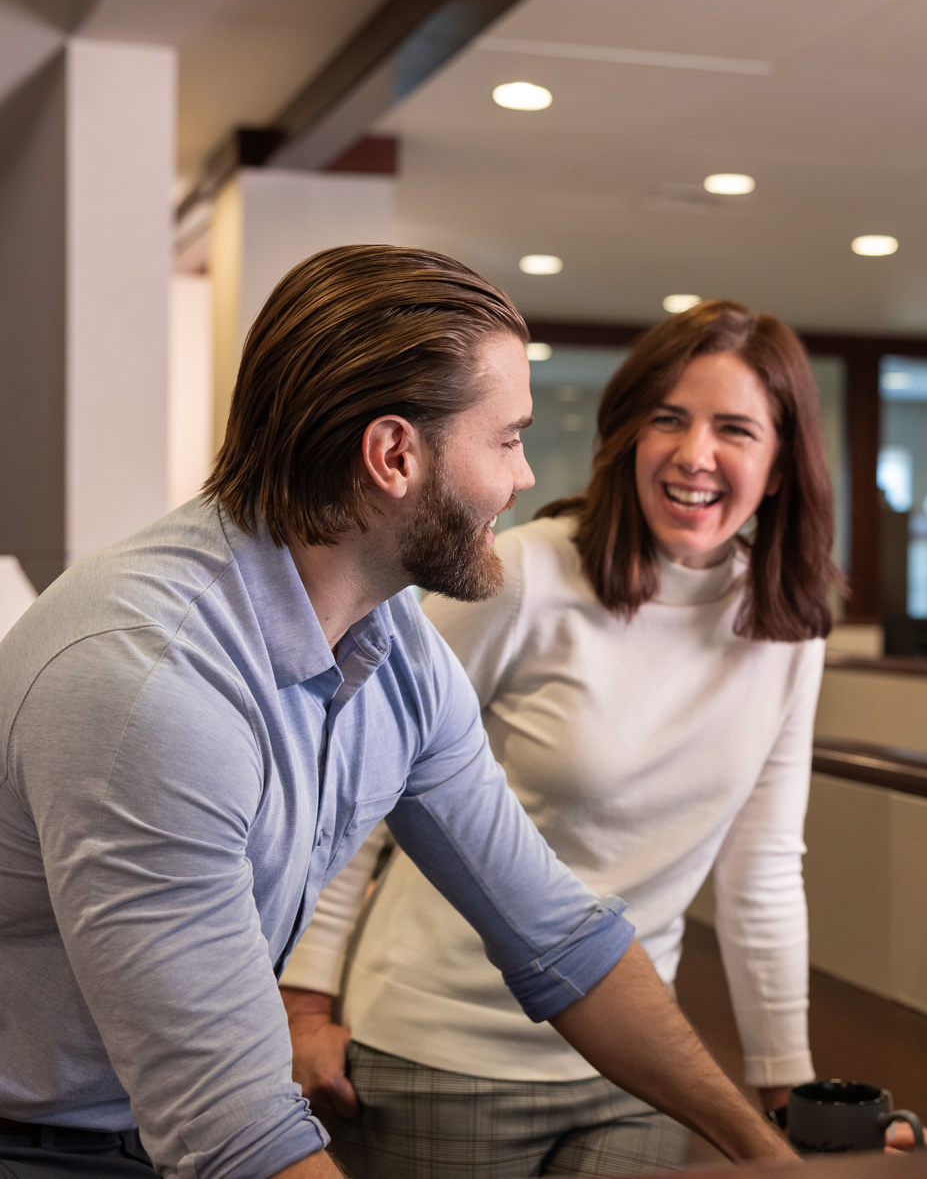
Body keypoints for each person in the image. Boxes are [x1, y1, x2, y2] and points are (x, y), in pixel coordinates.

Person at [0, 248, 797, 1179]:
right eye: (510, 437)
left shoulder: (395, 649)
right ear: (394, 455)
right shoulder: (147, 684)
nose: (526, 479)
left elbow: (558, 936)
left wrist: (766, 1152)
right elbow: (232, 1125)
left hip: (134, 1129)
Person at [279, 300, 841, 1176]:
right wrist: (304, 1006)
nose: (696, 455)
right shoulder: (522, 574)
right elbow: (360, 788)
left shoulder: (787, 632)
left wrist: (784, 1087)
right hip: (443, 1049)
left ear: (776, 467)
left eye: (735, 429)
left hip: (636, 1059)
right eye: (669, 420)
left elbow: (762, 870)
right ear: (626, 438)